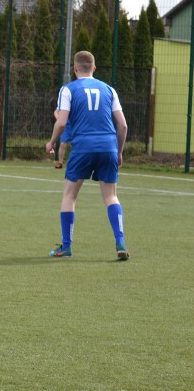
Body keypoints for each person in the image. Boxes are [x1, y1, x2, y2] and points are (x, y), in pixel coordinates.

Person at [45, 50, 129, 260]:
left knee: (69, 196)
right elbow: (123, 126)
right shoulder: (109, 89)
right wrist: (118, 151)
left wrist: (52, 142)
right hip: (108, 146)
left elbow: (61, 122)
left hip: (83, 147)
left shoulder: (68, 89)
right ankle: (120, 242)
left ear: (75, 69)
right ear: (94, 68)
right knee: (111, 196)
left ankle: (66, 246)